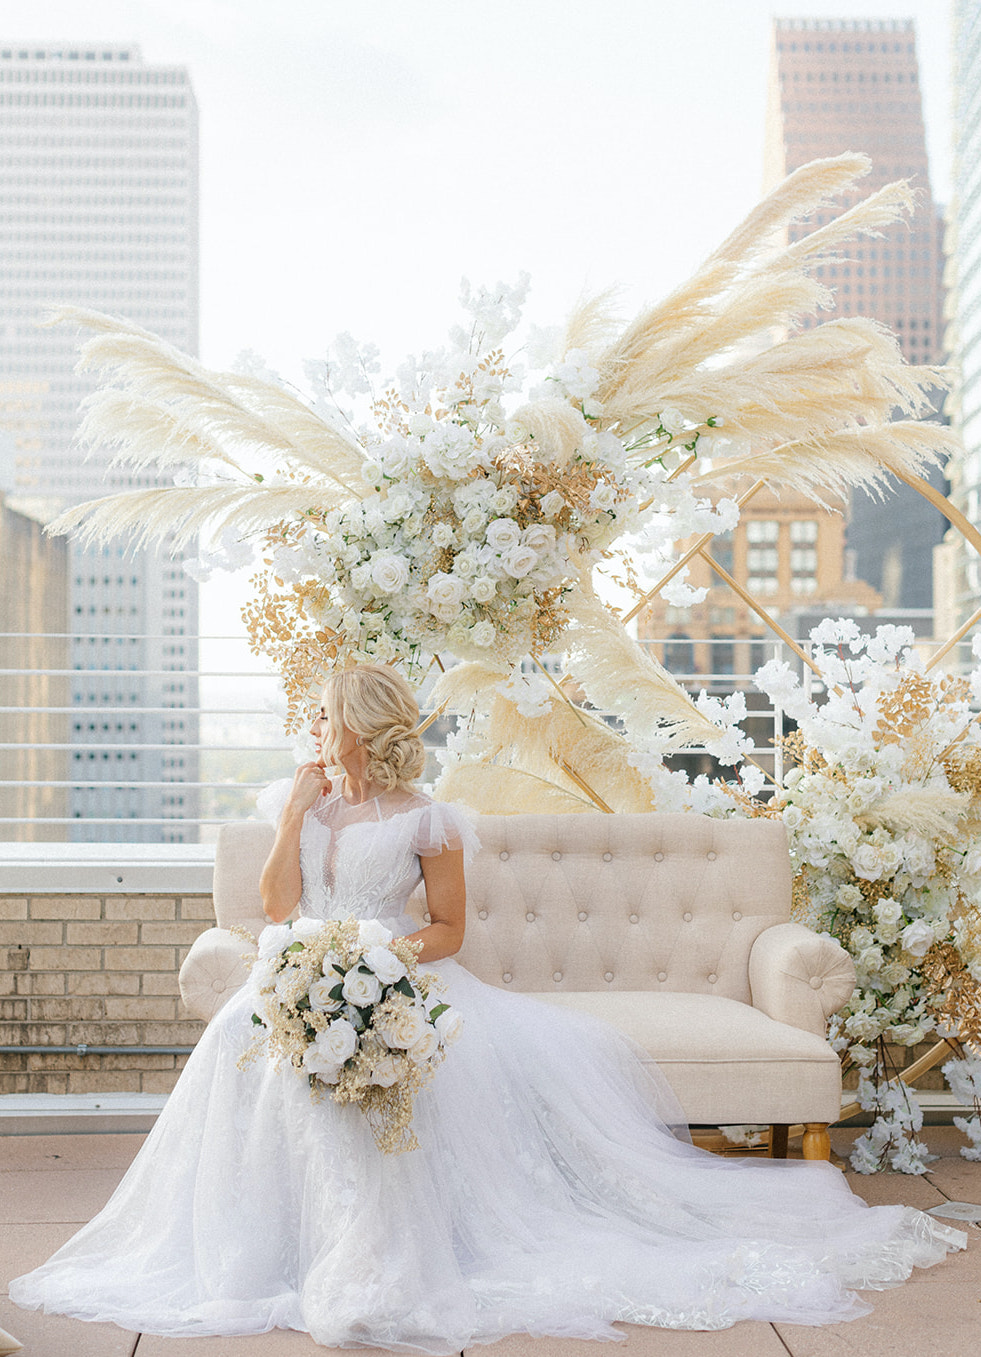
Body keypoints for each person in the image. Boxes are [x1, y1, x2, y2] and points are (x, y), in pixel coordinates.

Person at [10, 664, 966, 1351]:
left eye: (325, 714)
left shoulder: (428, 817)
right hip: (305, 970)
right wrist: (298, 818)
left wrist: (376, 959)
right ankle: (262, 1248)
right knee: (238, 1047)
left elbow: (450, 930)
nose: (314, 726)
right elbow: (270, 908)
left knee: (427, 1062)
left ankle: (393, 1249)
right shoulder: (295, 801)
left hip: (403, 977)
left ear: (358, 723)